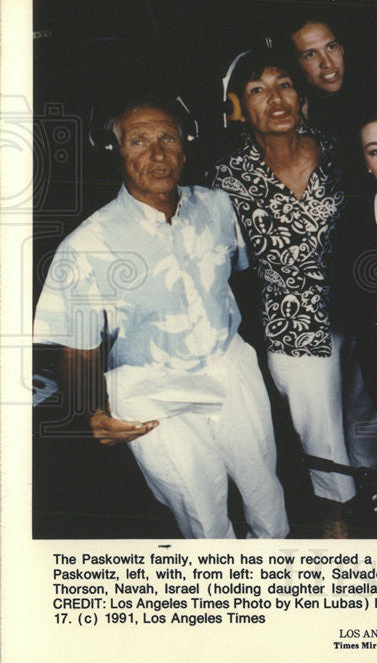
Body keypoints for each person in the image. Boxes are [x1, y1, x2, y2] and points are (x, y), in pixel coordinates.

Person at [33, 97, 289, 539]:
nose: (157, 154)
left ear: (185, 149)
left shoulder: (217, 207)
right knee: (201, 511)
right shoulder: (85, 246)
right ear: (116, 153)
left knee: (265, 491)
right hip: (149, 387)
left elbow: (240, 279)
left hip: (227, 364)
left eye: (167, 138)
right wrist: (92, 410)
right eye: (138, 140)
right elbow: (78, 344)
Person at [210, 51, 377, 538]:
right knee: (320, 430)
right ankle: (337, 517)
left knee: (364, 410)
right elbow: (228, 261)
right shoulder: (227, 178)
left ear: (301, 99)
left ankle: (371, 489)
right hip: (290, 322)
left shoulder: (337, 150)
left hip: (355, 308)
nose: (274, 98)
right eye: (258, 90)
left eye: (283, 84)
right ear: (240, 106)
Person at [285, 10, 361, 155]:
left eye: (331, 47)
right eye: (310, 55)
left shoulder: (373, 95)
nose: (327, 63)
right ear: (296, 63)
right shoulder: (296, 111)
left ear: (342, 48)